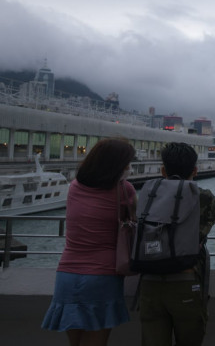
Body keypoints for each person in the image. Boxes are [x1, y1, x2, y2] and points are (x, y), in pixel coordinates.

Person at [42, 137, 137, 346]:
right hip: (102, 276)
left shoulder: (75, 187)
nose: (129, 167)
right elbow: (133, 222)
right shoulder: (124, 190)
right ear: (117, 165)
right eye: (127, 163)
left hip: (67, 274)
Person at [138, 142, 215, 346]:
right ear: (195, 170)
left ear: (163, 170)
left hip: (149, 279)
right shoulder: (202, 196)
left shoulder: (149, 194)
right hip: (186, 279)